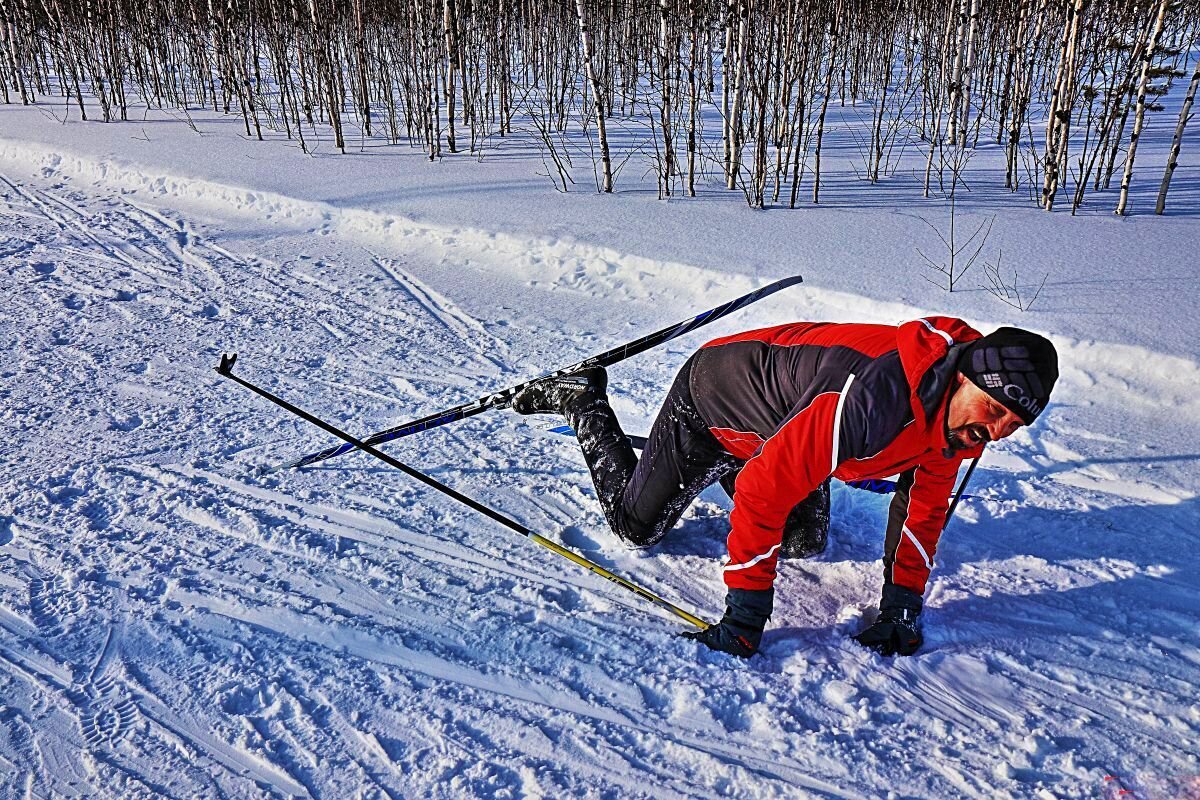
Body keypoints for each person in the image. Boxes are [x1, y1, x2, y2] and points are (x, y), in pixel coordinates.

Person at [511, 318, 1058, 658]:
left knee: (803, 540)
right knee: (636, 527)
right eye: (993, 411)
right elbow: (763, 495)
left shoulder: (963, 424)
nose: (994, 432)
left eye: (1012, 425)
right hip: (712, 400)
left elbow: (925, 506)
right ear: (963, 376)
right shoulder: (874, 397)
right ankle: (581, 396)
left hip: (780, 425)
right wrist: (745, 617)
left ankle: (754, 457)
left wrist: (902, 603)